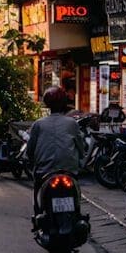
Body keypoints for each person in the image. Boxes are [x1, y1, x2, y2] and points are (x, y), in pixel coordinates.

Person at [26, 86, 85, 215]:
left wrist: (29, 159)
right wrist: (81, 159)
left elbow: (30, 150)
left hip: (44, 171)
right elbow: (81, 148)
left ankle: (38, 214)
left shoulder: (38, 124)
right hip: (69, 170)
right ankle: (77, 214)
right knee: (75, 191)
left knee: (37, 191)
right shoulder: (72, 123)